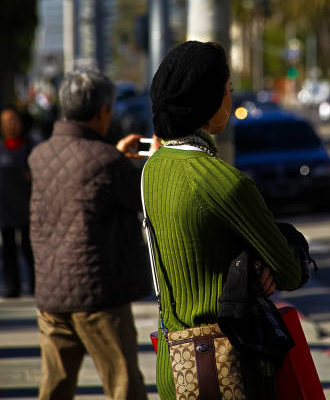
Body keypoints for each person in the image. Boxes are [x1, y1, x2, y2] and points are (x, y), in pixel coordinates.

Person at [143, 40, 308, 400]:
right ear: (209, 102)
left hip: (174, 364)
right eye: (228, 90)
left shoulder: (153, 168)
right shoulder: (223, 182)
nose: (231, 100)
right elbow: (291, 273)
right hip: (225, 369)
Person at [29, 69, 153, 400]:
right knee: (124, 386)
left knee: (54, 388)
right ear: (101, 111)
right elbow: (139, 197)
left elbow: (76, 175)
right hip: (97, 296)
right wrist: (150, 160)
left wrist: (113, 154)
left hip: (51, 295)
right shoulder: (107, 161)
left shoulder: (39, 156)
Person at [0, 106, 35, 297]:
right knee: (8, 250)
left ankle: (35, 284)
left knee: (30, 248)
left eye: (13, 120)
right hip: (5, 210)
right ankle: (11, 286)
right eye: (6, 122)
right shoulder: (1, 149)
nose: (10, 125)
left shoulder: (30, 147)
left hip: (27, 207)